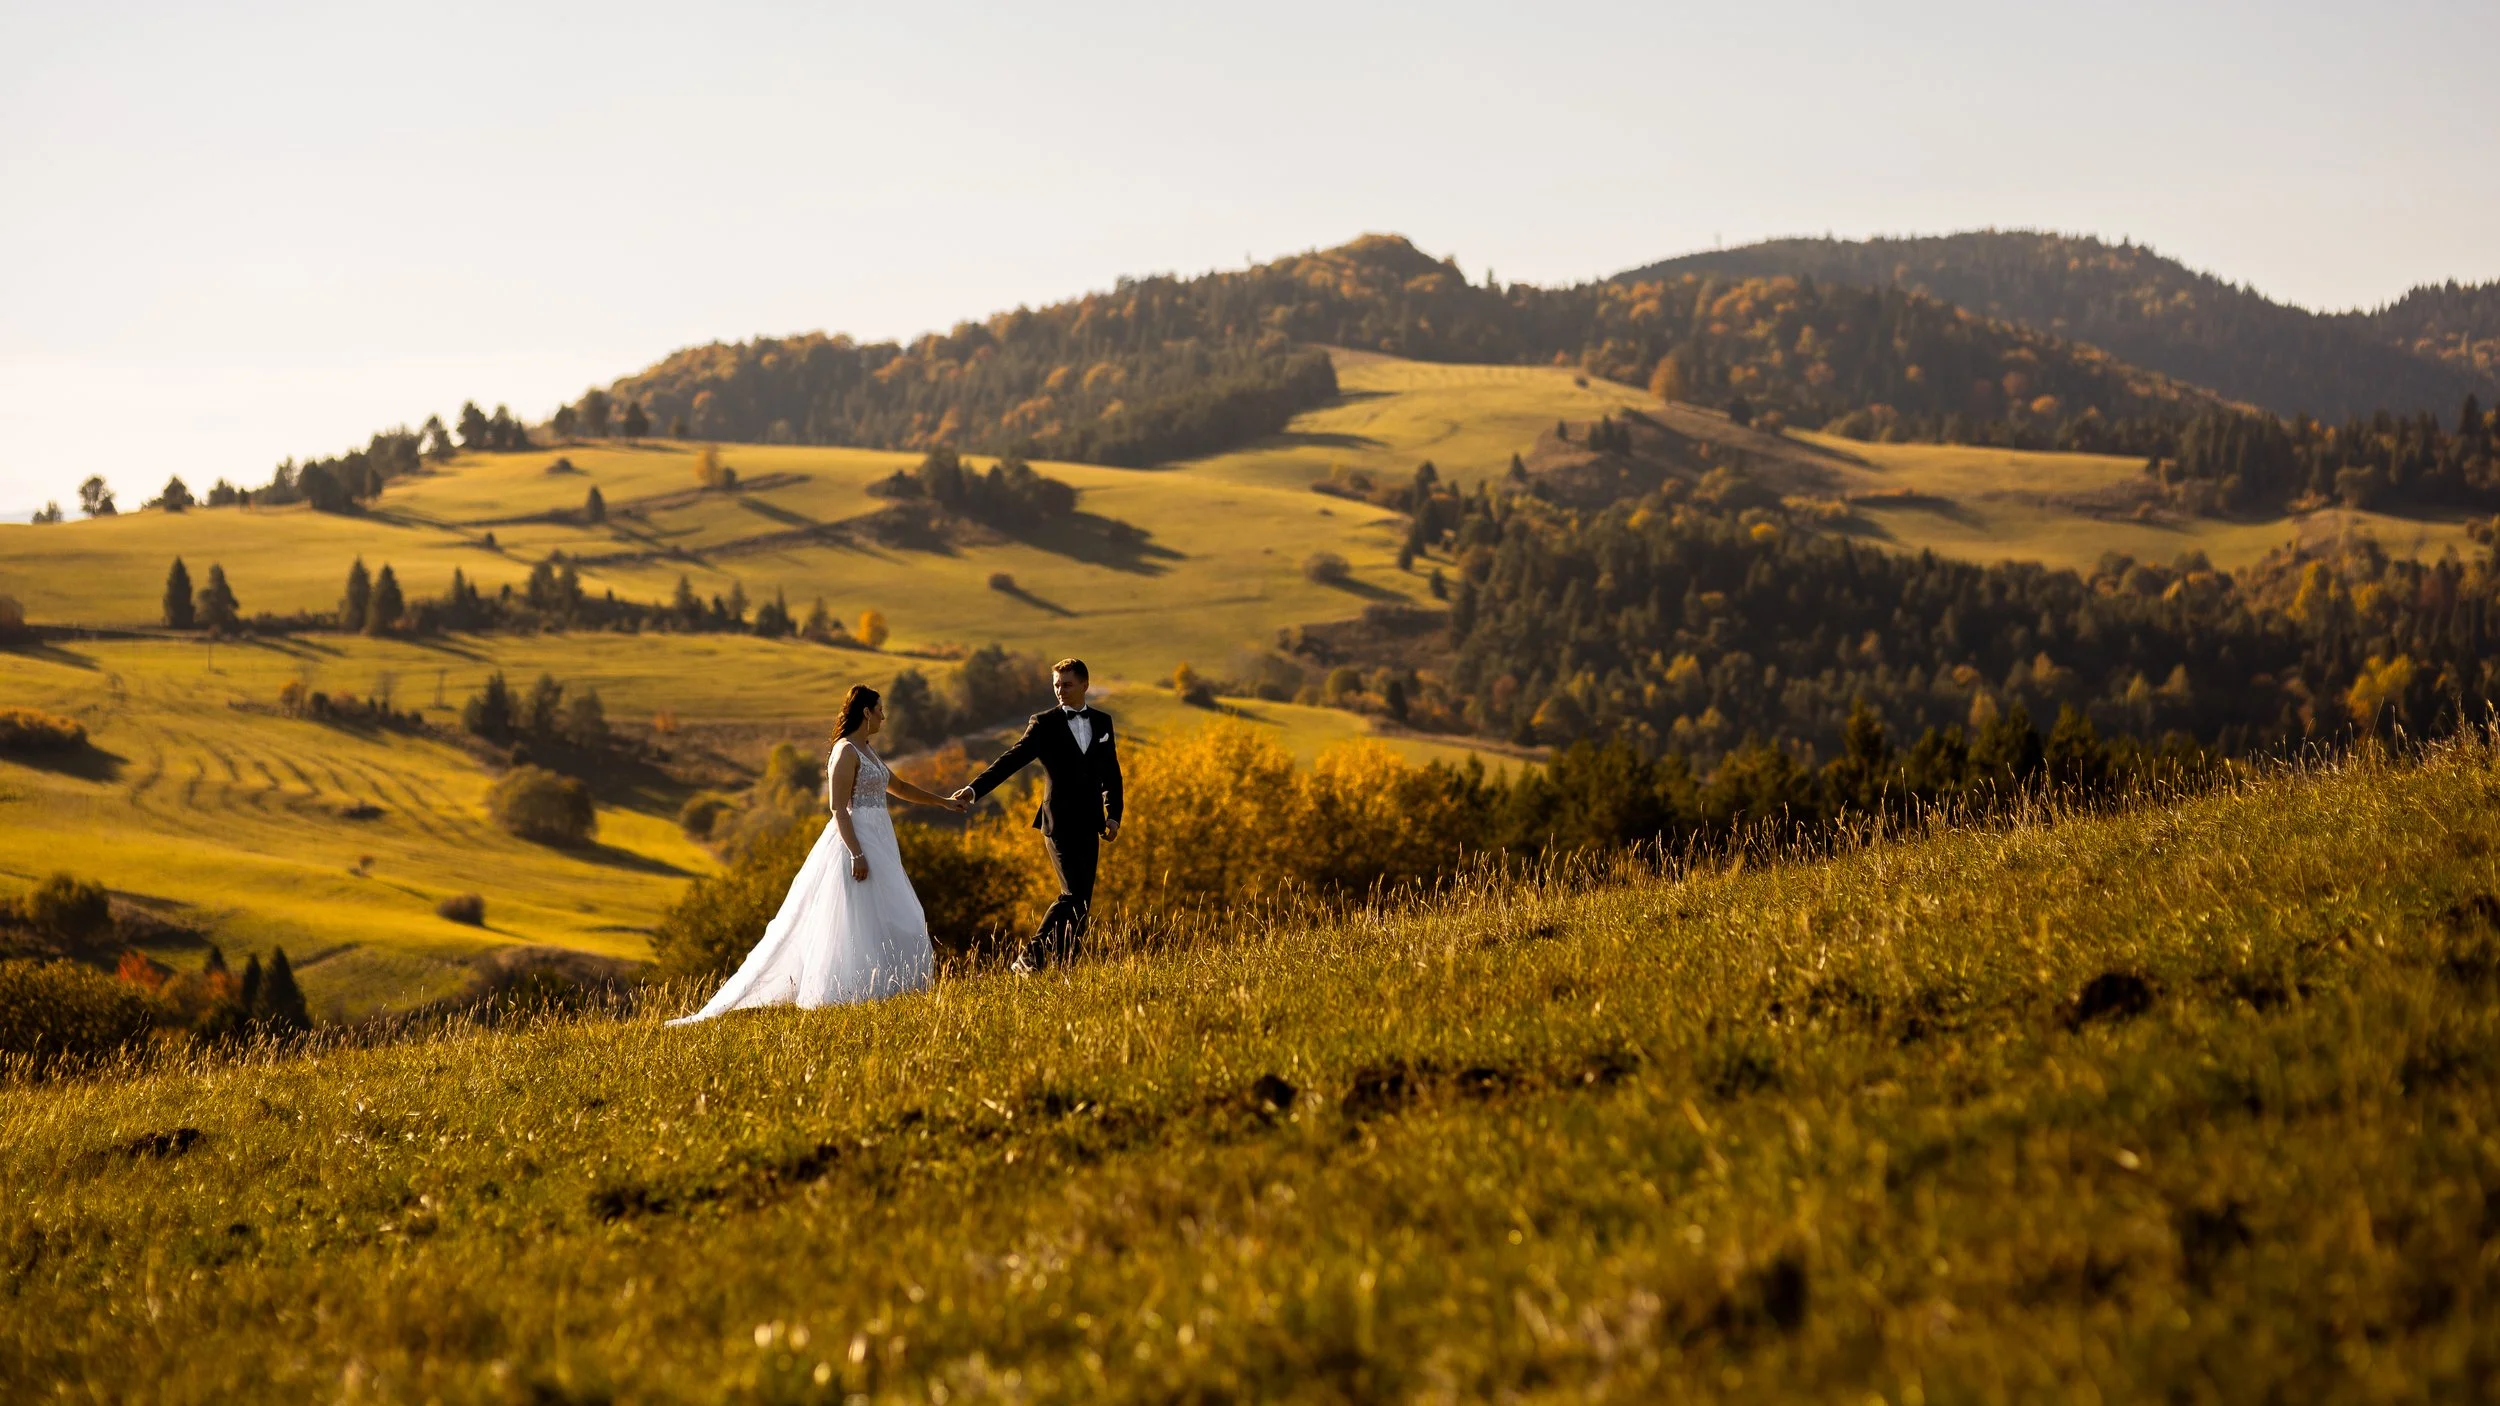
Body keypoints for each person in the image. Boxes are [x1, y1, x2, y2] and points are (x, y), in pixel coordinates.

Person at [669, 685, 966, 1024]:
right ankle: (850, 991)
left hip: (881, 841)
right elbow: (838, 808)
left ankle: (889, 988)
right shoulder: (845, 752)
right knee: (855, 918)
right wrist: (856, 853)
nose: (884, 716)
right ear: (866, 712)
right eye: (880, 709)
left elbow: (898, 787)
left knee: (898, 915)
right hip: (857, 841)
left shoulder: (867, 750)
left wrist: (943, 802)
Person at [953, 657, 1123, 971]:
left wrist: (1113, 813)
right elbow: (1010, 760)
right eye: (1057, 685)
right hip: (1057, 823)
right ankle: (1029, 959)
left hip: (1091, 822)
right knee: (1072, 892)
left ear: (1084, 684)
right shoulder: (1044, 724)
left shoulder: (1102, 723)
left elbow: (1111, 771)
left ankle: (1065, 965)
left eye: (1067, 684)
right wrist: (973, 790)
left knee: (1082, 902)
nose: (1061, 691)